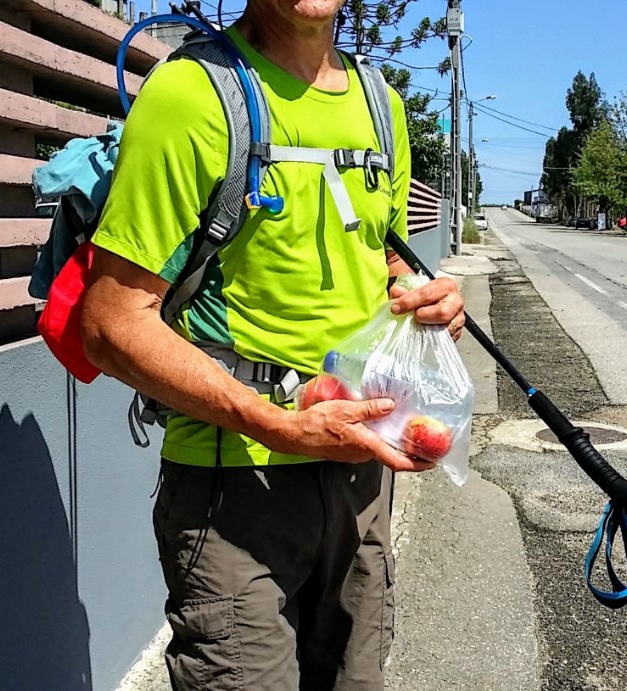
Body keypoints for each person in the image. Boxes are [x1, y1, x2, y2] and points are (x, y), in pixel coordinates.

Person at [79, 1, 465, 688]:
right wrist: (275, 422)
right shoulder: (191, 93)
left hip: (361, 478)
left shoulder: (382, 107)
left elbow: (385, 270)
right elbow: (111, 322)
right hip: (234, 485)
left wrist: (428, 302)